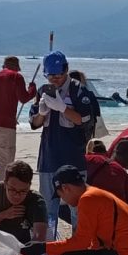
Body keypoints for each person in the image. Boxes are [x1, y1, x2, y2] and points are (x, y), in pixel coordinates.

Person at [29, 51, 95, 236]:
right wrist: (42, 111)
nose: (55, 79)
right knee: (48, 210)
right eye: (51, 76)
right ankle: (49, 249)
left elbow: (84, 120)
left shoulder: (79, 90)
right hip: (48, 159)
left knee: (78, 209)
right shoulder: (43, 90)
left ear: (66, 70)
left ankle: (79, 248)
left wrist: (63, 108)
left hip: (72, 159)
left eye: (58, 75)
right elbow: (34, 123)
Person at [0, 56, 36, 192]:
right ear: (16, 67)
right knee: (5, 161)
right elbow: (23, 98)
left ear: (4, 65)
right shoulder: (16, 77)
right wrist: (32, 89)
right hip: (6, 124)